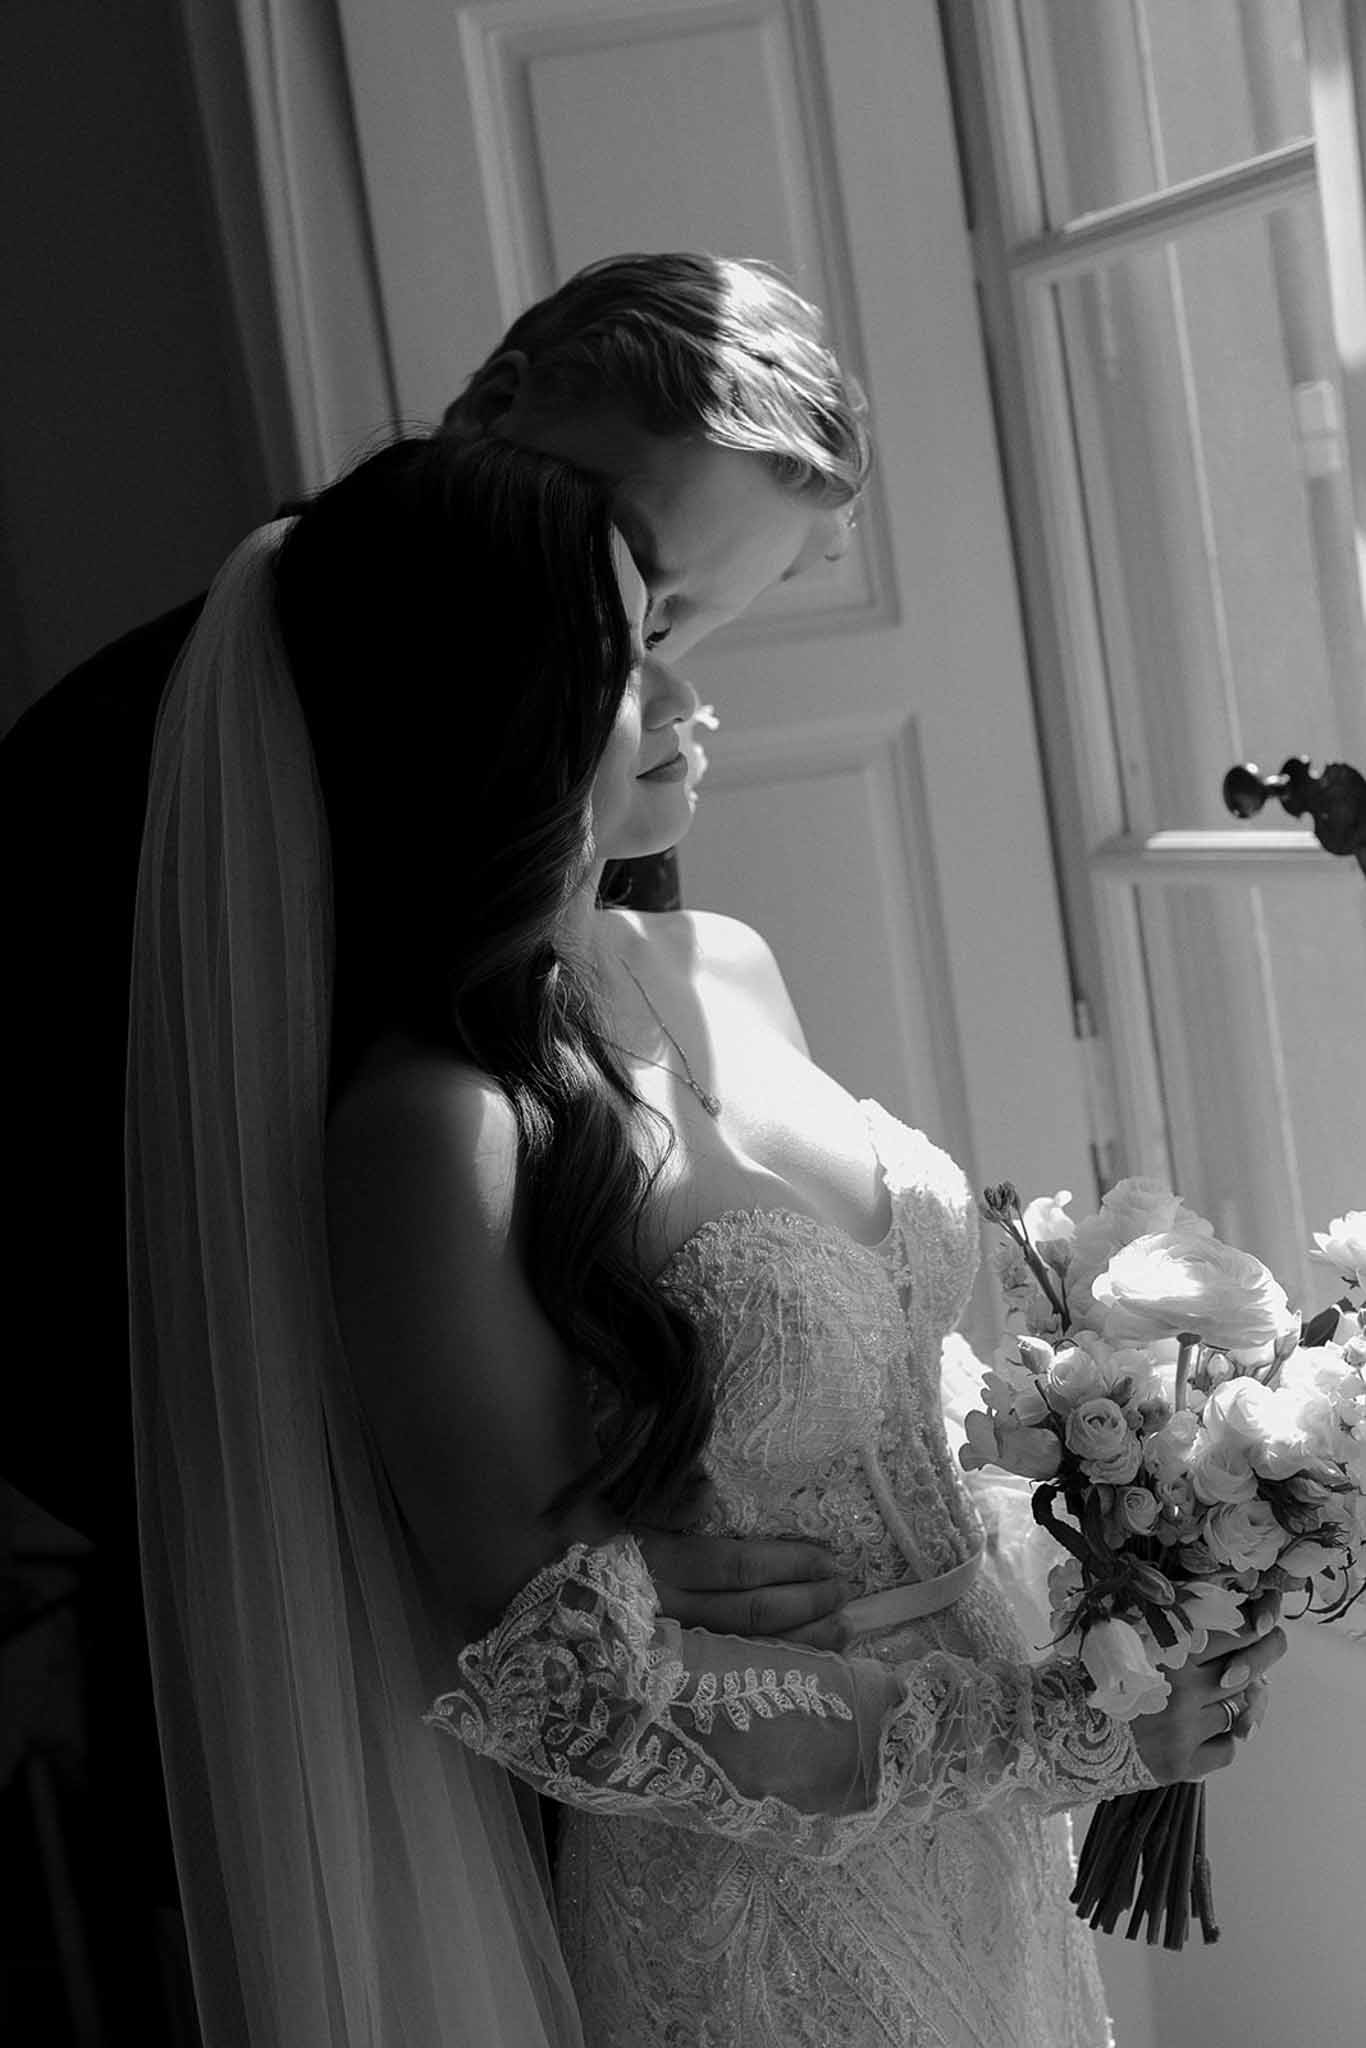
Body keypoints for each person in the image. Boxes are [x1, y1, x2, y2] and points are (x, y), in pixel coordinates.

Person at [126, 425, 1286, 2048]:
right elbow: (575, 1685)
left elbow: (885, 1391)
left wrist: (1162, 1544)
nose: (686, 700)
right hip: (760, 1909)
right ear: (487, 720)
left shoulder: (720, 958)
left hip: (987, 1855)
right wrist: (1061, 1736)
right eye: (622, 659)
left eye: (660, 637)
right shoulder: (435, 1128)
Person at [1, 252, 875, 2039]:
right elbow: (47, 1289)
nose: (653, 677)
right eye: (630, 553)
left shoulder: (607, 766)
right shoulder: (114, 771)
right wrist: (473, 1544)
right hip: (293, 1611)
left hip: (640, 1666)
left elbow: (622, 1171)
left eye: (691, 626)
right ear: (486, 419)